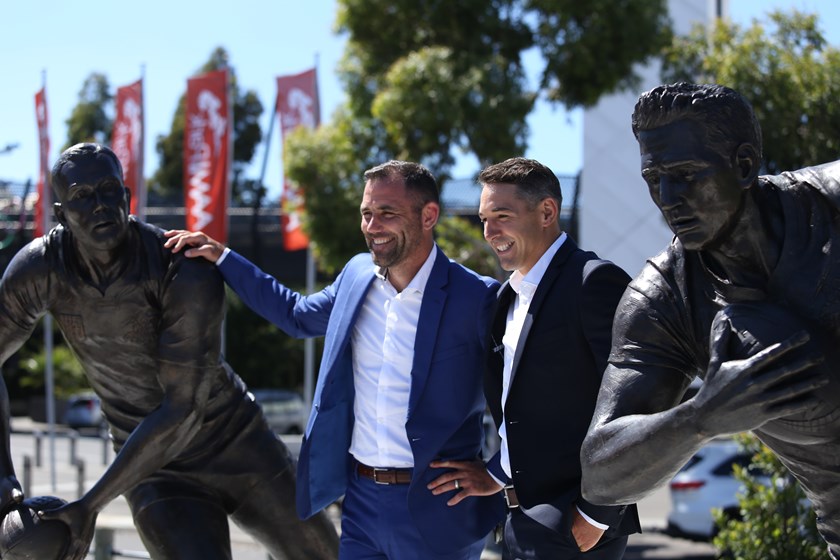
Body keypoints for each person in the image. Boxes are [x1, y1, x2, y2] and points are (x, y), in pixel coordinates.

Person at [0, 143, 338, 560]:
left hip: (236, 442)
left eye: (109, 190)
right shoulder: (39, 270)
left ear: (127, 198)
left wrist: (89, 504)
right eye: (82, 197)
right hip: (152, 467)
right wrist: (3, 476)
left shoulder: (182, 267)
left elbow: (183, 408)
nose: (100, 205)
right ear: (61, 213)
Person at [164, 160, 505, 560]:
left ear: (428, 215)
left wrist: (498, 473)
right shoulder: (356, 276)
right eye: (366, 213)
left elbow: (521, 391)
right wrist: (223, 259)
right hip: (361, 504)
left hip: (438, 507)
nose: (371, 226)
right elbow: (295, 314)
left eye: (387, 213)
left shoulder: (478, 296)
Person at [580, 82, 840, 558]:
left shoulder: (830, 201)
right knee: (754, 333)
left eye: (685, 174)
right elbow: (600, 471)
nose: (667, 197)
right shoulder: (664, 300)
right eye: (653, 178)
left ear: (743, 166)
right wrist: (700, 418)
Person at [427, 157, 640, 559]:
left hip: (575, 525)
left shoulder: (595, 282)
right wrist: (496, 473)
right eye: (484, 219)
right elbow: (522, 409)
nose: (490, 232)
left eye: (502, 216)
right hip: (518, 519)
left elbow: (637, 402)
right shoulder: (502, 298)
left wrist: (597, 516)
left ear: (547, 212)